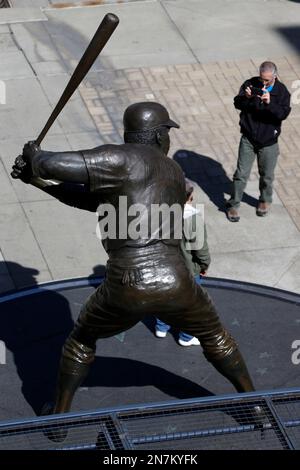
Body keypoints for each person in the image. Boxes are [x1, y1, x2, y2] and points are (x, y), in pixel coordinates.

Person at [11, 102, 257, 439]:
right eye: (167, 132)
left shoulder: (122, 159)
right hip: (178, 280)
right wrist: (36, 179)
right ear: (158, 135)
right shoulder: (171, 171)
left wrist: (36, 159)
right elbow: (89, 199)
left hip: (129, 282)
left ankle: (59, 421)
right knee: (217, 338)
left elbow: (57, 165)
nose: (168, 139)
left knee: (81, 342)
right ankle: (253, 401)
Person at [227, 61, 291, 222]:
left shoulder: (281, 92)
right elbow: (237, 103)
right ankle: (233, 205)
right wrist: (247, 98)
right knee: (241, 174)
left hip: (269, 142)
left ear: (274, 77)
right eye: (262, 79)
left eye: (267, 80)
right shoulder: (250, 84)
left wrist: (269, 103)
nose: (263, 83)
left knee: (267, 175)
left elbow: (282, 114)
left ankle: (264, 200)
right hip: (248, 138)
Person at [155, 181, 211, 346]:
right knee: (190, 305)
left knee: (166, 298)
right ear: (190, 197)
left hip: (165, 266)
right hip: (187, 270)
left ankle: (161, 327)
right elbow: (200, 250)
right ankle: (186, 337)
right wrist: (204, 265)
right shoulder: (193, 220)